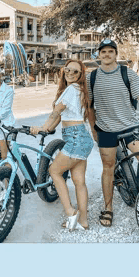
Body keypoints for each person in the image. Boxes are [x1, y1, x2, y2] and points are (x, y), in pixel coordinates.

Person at [87, 38, 139, 228]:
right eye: (103, 51)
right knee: (108, 168)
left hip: (131, 127)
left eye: (111, 51)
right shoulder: (91, 78)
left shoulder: (128, 74)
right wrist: (93, 129)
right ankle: (108, 207)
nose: (107, 54)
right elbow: (89, 107)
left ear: (116, 54)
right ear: (99, 55)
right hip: (106, 129)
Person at [30, 59, 94, 231]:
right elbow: (60, 117)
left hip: (75, 138)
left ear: (81, 75)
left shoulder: (71, 89)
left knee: (54, 171)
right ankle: (83, 221)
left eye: (75, 72)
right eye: (68, 70)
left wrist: (42, 127)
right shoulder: (78, 90)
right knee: (79, 181)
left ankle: (71, 212)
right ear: (63, 70)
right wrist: (48, 129)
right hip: (83, 138)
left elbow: (56, 111)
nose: (70, 73)